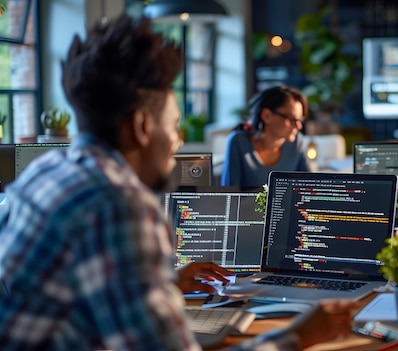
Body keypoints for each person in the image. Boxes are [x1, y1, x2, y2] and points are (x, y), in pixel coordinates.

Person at [0, 14, 357, 350]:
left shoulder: (48, 170)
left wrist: (165, 284)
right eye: (174, 126)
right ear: (142, 126)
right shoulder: (120, 206)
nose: (178, 142)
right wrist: (297, 336)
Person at [221, 86, 311, 187]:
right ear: (266, 115)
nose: (299, 126)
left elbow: (308, 187)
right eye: (292, 120)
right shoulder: (238, 142)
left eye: (300, 120)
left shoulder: (297, 142)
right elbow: (230, 195)